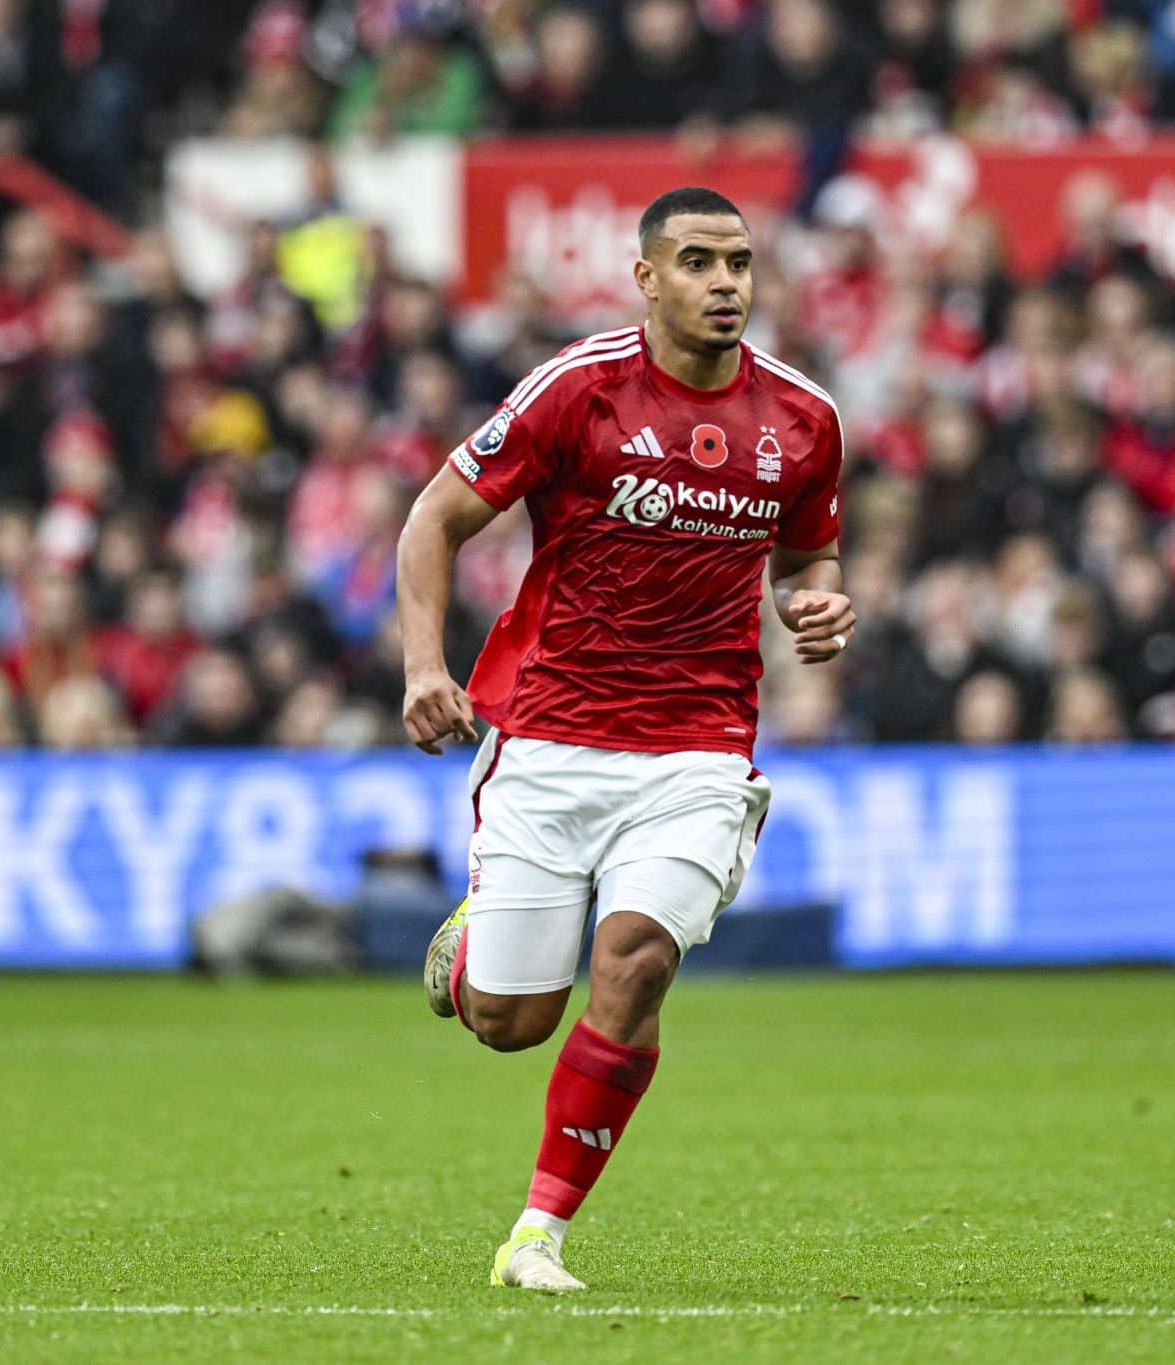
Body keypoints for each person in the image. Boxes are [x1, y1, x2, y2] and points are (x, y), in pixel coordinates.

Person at [393, 187, 851, 1293]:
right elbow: (433, 519)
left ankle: (537, 1233)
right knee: (510, 1022)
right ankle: (474, 955)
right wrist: (422, 667)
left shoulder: (803, 421)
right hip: (549, 736)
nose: (724, 283)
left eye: (737, 262)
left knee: (634, 960)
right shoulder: (576, 389)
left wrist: (819, 602)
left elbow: (807, 556)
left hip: (695, 746)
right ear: (645, 279)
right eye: (696, 262)